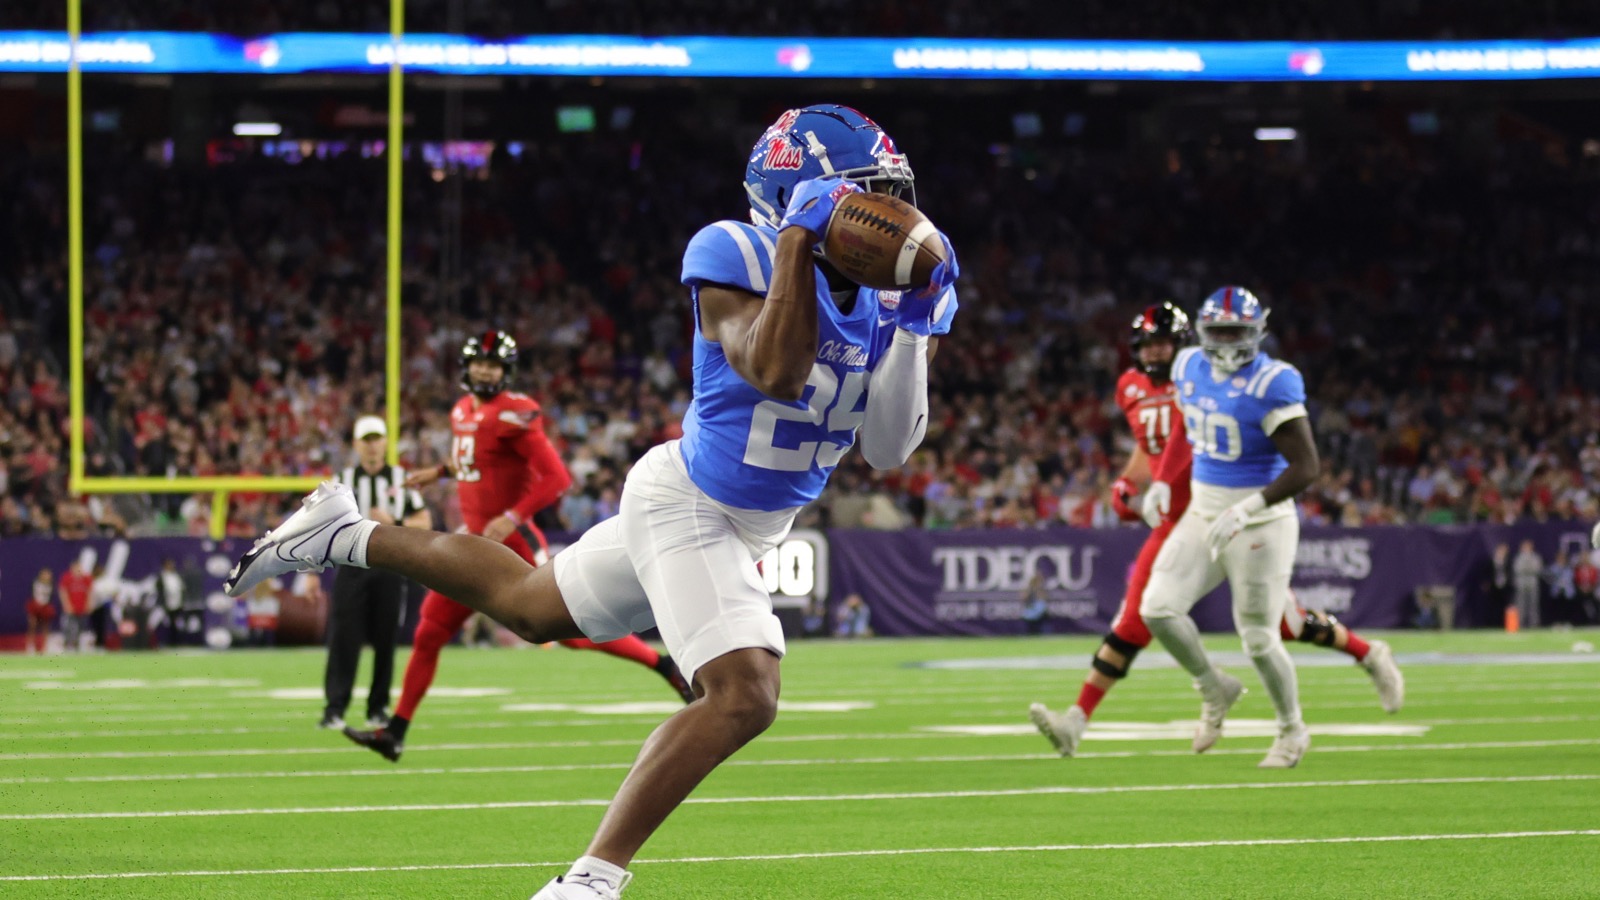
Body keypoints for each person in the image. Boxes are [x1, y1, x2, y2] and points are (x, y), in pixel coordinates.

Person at [224, 102, 956, 899]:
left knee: (528, 606)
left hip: (742, 525)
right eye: (864, 198)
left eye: (889, 194)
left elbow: (888, 449)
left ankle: (345, 532)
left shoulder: (890, 300)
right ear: (799, 200)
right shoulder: (734, 248)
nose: (887, 216)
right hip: (691, 501)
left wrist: (916, 324)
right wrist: (794, 241)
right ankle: (590, 881)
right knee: (745, 691)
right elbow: (776, 371)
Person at [1030, 303, 1402, 757]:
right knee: (1143, 617)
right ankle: (1083, 718)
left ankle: (1363, 658)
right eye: (1148, 343)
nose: (1156, 351)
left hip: (1236, 511)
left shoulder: (1205, 378)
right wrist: (1134, 481)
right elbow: (1153, 448)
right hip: (1182, 519)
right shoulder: (1132, 386)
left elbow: (1217, 436)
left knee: (1279, 626)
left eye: (1164, 342)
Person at [342, 332, 697, 763]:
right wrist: (438, 472)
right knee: (429, 632)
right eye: (480, 364)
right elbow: (476, 459)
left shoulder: (513, 414)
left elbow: (556, 478)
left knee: (566, 631)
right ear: (468, 367)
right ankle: (394, 732)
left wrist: (510, 516)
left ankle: (661, 665)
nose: (486, 372)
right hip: (474, 543)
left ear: (505, 371)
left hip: (513, 542)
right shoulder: (461, 410)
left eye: (494, 365)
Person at [1125, 287, 1316, 768]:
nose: (1228, 342)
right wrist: (1165, 482)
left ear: (1257, 331)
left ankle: (1292, 729)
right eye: (1220, 332)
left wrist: (1249, 507)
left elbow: (1307, 466)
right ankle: (1214, 688)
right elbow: (1187, 429)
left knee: (1257, 636)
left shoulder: (1274, 381)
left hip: (1261, 519)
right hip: (1204, 508)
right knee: (1158, 608)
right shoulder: (1188, 366)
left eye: (1238, 332)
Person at [319, 415, 433, 730]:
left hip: (389, 567)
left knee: (386, 639)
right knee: (344, 638)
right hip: (352, 567)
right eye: (366, 440)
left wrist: (392, 524)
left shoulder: (400, 478)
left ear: (385, 442)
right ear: (356, 445)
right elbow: (321, 525)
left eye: (376, 439)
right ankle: (334, 708)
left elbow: (424, 521)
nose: (372, 446)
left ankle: (377, 708)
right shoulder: (341, 481)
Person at [57, 558, 93, 652]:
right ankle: (68, 644)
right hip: (71, 607)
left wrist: (89, 604)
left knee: (81, 626)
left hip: (81, 607)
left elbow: (90, 592)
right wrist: (67, 605)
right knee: (69, 626)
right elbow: (63, 591)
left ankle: (76, 644)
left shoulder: (86, 578)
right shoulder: (67, 578)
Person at [1513, 539, 1544, 629]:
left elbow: (1537, 569)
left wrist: (1527, 569)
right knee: (1521, 604)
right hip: (1521, 584)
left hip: (1532, 583)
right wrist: (1528, 568)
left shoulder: (1535, 557)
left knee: (1533, 604)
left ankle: (1533, 624)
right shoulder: (1518, 557)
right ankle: (1520, 623)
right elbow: (1518, 569)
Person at [26, 567, 56, 654]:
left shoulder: (51, 585)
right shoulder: (36, 583)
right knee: (32, 625)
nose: (47, 576)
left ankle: (45, 646)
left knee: (45, 627)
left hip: (45, 607)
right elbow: (33, 595)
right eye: (45, 574)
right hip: (35, 606)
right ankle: (30, 645)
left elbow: (49, 598)